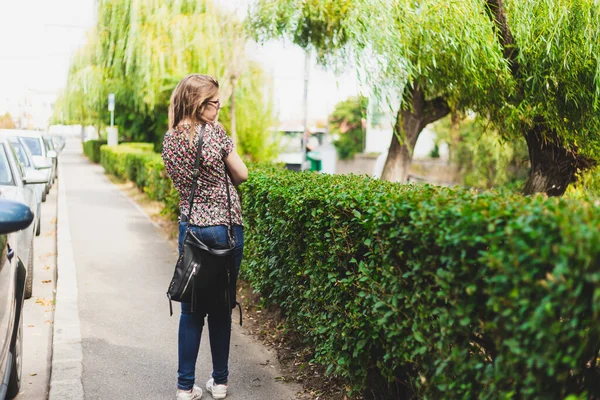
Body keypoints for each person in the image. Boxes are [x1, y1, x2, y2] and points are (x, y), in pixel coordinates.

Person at [162, 74, 248, 400]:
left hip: (192, 231)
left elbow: (182, 183)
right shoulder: (215, 134)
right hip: (225, 229)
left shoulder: (170, 140)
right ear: (199, 103)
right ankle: (220, 382)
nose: (219, 106)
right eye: (214, 102)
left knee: (191, 310)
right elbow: (242, 173)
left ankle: (185, 386)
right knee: (221, 307)